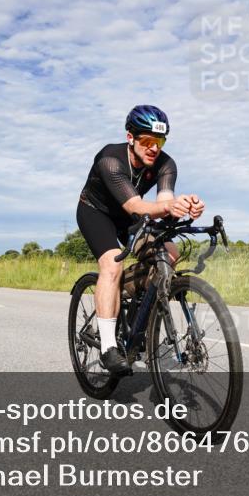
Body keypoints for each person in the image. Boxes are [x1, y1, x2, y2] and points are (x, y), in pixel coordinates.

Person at [77, 105, 205, 375]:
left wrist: (185, 207)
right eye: (147, 141)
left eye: (159, 141)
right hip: (96, 212)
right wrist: (168, 207)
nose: (154, 148)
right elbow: (135, 205)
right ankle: (109, 347)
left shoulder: (166, 164)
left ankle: (132, 304)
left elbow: (163, 203)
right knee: (112, 264)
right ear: (130, 138)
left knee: (170, 253)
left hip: (130, 218)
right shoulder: (110, 160)